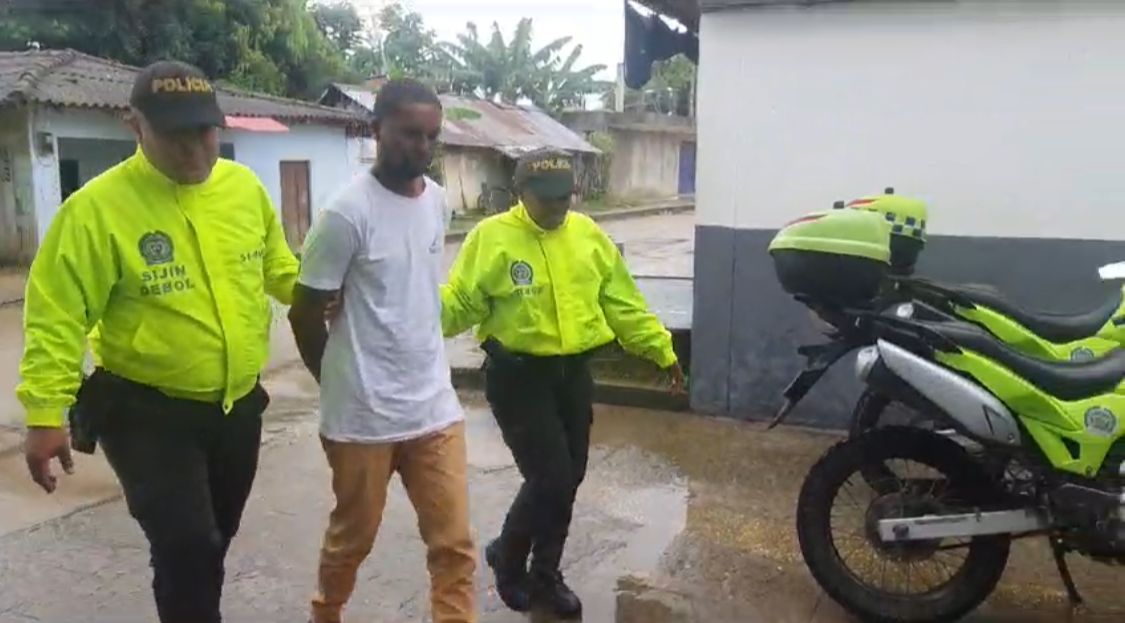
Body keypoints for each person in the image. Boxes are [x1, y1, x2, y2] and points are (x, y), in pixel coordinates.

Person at [17, 61, 300, 623]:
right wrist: (45, 413)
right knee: (187, 544)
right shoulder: (95, 211)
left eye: (206, 131)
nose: (196, 149)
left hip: (237, 407)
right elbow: (56, 316)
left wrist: (324, 297)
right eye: (176, 134)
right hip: (144, 411)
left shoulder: (243, 189)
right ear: (134, 125)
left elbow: (279, 268)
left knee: (209, 545)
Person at [441, 148, 686, 618]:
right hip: (517, 377)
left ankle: (540, 571)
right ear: (521, 192)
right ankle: (514, 561)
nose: (559, 207)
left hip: (572, 374)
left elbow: (622, 304)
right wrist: (408, 316)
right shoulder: (490, 239)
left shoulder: (588, 235)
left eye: (566, 197)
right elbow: (460, 304)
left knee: (568, 478)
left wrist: (661, 350)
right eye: (548, 198)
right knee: (550, 475)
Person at [288, 78, 476, 623]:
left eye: (431, 136)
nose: (421, 146)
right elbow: (305, 310)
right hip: (362, 418)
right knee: (353, 539)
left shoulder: (438, 202)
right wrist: (337, 381)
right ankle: (327, 612)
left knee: (455, 543)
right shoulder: (346, 214)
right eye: (409, 134)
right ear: (377, 131)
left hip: (434, 409)